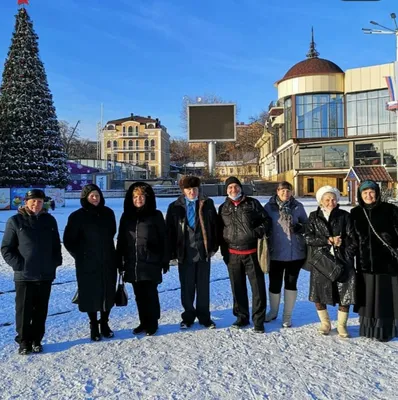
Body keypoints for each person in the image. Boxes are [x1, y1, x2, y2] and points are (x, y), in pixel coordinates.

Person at [1, 189, 62, 355]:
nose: (36, 204)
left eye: (40, 201)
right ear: (26, 202)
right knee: (23, 311)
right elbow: (6, 248)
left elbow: (56, 244)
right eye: (33, 201)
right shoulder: (15, 221)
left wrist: (55, 261)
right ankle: (23, 342)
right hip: (24, 276)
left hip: (45, 274)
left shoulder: (49, 220)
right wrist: (19, 265)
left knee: (41, 310)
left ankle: (36, 340)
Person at [63, 184, 117, 341]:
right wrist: (80, 256)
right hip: (87, 263)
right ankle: (94, 324)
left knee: (107, 292)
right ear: (85, 197)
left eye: (97, 195)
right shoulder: (76, 216)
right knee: (90, 294)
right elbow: (69, 240)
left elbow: (112, 233)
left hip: (107, 260)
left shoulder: (108, 213)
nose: (95, 198)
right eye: (92, 195)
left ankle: (105, 323)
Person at [218, 176, 271, 333]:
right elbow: (219, 231)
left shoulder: (252, 203)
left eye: (235, 187)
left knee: (258, 289)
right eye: (230, 188)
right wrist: (223, 252)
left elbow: (266, 221)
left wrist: (257, 231)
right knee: (237, 288)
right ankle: (242, 316)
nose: (233, 190)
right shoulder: (223, 208)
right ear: (226, 190)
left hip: (252, 253)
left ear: (240, 188)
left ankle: (258, 320)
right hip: (232, 255)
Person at [166, 176, 218, 330]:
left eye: (194, 189)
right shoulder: (174, 207)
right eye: (188, 189)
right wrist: (171, 253)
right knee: (187, 287)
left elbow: (214, 226)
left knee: (203, 287)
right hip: (184, 252)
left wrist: (213, 247)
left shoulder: (207, 204)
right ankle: (188, 316)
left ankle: (204, 317)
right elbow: (169, 231)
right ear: (183, 191)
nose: (192, 192)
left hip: (203, 251)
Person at [117, 182, 169, 336]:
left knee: (150, 294)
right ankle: (143, 322)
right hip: (133, 262)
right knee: (139, 295)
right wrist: (119, 260)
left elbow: (164, 238)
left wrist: (164, 259)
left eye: (141, 196)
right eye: (135, 197)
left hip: (151, 261)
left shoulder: (156, 215)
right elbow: (121, 240)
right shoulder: (126, 217)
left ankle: (152, 322)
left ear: (147, 198)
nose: (138, 199)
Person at [305, 186, 356, 337]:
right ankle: (325, 323)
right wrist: (327, 240)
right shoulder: (314, 217)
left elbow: (354, 239)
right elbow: (308, 237)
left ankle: (341, 325)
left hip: (343, 259)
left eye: (333, 199)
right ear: (321, 201)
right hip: (322, 261)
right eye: (327, 199)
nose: (330, 202)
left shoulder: (345, 216)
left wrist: (344, 246)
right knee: (319, 293)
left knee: (345, 292)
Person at [351, 180, 398, 342]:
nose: (368, 196)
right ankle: (369, 328)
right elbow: (352, 239)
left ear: (377, 193)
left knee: (386, 298)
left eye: (371, 192)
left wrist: (391, 239)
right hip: (365, 265)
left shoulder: (390, 210)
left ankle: (386, 329)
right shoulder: (355, 213)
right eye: (365, 193)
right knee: (369, 298)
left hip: (388, 264)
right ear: (360, 195)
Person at [264, 181, 308, 328]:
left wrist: (301, 227)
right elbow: (263, 224)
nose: (285, 193)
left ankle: (287, 315)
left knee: (291, 283)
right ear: (277, 191)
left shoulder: (298, 206)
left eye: (288, 191)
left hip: (295, 253)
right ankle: (273, 311)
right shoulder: (269, 207)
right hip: (276, 252)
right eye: (283, 191)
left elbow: (307, 225)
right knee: (274, 283)